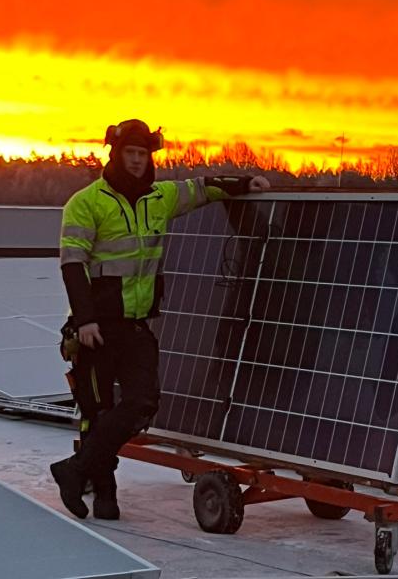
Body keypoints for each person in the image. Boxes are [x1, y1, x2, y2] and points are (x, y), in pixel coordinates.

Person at [50, 119, 270, 520]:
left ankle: (75, 470)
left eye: (142, 154)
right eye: (130, 153)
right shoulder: (86, 203)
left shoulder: (161, 197)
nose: (137, 161)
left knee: (142, 402)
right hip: (96, 328)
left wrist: (244, 183)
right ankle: (104, 494)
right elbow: (72, 264)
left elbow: (202, 188)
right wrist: (84, 320)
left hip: (136, 324)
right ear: (116, 155)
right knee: (97, 413)